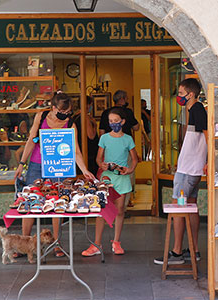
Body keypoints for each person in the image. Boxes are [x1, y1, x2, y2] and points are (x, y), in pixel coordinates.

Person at [14, 91, 95, 257]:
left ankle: (56, 243)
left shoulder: (71, 124)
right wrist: (22, 164)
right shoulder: (41, 116)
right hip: (37, 163)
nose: (64, 115)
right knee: (29, 201)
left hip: (59, 166)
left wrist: (85, 170)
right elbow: (31, 140)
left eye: (68, 112)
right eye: (62, 112)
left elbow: (76, 151)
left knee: (57, 202)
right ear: (53, 107)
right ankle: (24, 244)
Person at [154, 78, 207, 265]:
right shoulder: (192, 110)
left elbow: (206, 135)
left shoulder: (197, 109)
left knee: (178, 207)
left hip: (188, 168)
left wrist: (207, 161)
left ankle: (176, 251)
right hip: (191, 166)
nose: (179, 96)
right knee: (191, 207)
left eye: (181, 93)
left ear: (190, 94)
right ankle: (194, 250)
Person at [81, 107, 138, 256]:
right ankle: (96, 244)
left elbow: (135, 158)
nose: (113, 124)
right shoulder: (104, 138)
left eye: (116, 121)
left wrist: (130, 170)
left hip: (122, 177)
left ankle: (116, 242)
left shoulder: (128, 139)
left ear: (123, 122)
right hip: (107, 177)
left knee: (120, 211)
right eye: (110, 121)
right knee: (102, 210)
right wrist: (101, 164)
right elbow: (99, 158)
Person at [99, 90, 139, 208]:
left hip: (113, 149)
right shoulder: (128, 112)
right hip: (122, 151)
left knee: (123, 178)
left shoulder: (106, 113)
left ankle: (119, 207)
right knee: (127, 175)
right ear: (123, 99)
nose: (113, 123)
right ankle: (124, 204)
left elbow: (101, 131)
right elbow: (136, 127)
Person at [74, 95, 99, 176]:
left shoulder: (74, 117)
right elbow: (91, 135)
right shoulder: (85, 117)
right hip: (88, 153)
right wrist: (95, 126)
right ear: (87, 105)